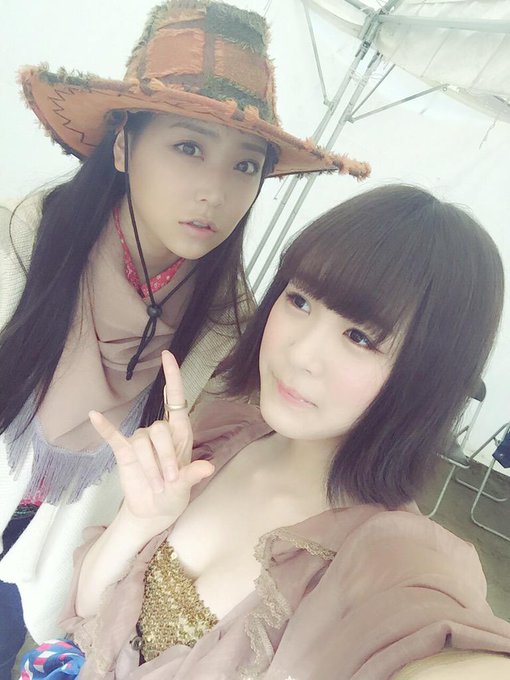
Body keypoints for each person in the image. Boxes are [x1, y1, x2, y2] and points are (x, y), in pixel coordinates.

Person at [0, 0, 370, 675]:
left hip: (51, 591)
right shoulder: (18, 247)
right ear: (122, 144)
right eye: (189, 147)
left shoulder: (231, 334)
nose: (214, 191)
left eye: (245, 166)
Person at [22, 185, 510, 679]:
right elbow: (89, 614)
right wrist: (139, 520)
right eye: (299, 300)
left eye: (360, 337)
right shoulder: (223, 434)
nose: (300, 354)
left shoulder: (388, 564)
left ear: (427, 376)